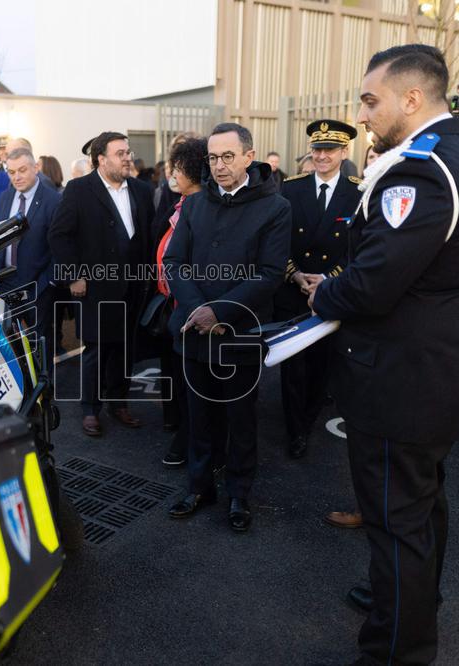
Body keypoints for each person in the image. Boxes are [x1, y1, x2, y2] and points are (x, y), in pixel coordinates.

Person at [308, 44, 459, 664]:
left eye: (371, 100)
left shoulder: (422, 168)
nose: (363, 114)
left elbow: (370, 283)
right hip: (437, 368)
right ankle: (413, 603)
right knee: (420, 512)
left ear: (412, 99)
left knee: (395, 524)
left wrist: (324, 294)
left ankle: (397, 649)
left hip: (401, 380)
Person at [163, 122, 291, 533]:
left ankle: (239, 492)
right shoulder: (196, 204)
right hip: (195, 330)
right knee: (198, 415)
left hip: (240, 332)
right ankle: (200, 487)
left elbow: (270, 273)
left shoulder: (275, 208)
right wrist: (200, 310)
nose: (219, 166)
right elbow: (175, 262)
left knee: (240, 417)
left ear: (249, 157)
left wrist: (219, 312)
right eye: (213, 158)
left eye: (228, 157)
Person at [49, 131, 154, 437]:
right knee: (96, 349)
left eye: (128, 152)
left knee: (124, 347)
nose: (127, 157)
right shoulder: (79, 189)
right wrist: (74, 275)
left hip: (133, 285)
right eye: (120, 153)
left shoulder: (142, 190)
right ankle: (90, 409)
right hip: (95, 287)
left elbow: (146, 234)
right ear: (101, 159)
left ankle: (118, 403)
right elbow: (59, 234)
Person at [274, 120, 362, 460]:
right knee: (292, 368)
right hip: (293, 290)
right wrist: (296, 275)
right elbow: (277, 240)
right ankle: (296, 431)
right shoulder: (291, 188)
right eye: (317, 149)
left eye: (329, 150)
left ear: (344, 152)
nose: (322, 156)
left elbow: (358, 248)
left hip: (332, 292)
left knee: (321, 367)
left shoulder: (358, 191)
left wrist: (328, 279)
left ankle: (308, 418)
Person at [325, 140, 380, 532]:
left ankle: (377, 513)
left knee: (383, 445)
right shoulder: (370, 199)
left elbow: (370, 274)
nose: (375, 162)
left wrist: (325, 291)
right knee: (367, 440)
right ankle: (369, 507)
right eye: (372, 157)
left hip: (384, 341)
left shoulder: (397, 202)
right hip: (365, 337)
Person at [151, 136, 209, 466]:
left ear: (188, 169)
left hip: (191, 309)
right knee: (180, 380)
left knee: (192, 386)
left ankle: (190, 442)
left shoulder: (198, 207)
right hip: (177, 306)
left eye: (176, 166)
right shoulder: (182, 203)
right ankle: (185, 435)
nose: (171, 172)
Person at [0, 147, 62, 374]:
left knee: (39, 345)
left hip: (38, 286)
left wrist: (48, 283)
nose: (17, 177)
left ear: (35, 168)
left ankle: (45, 396)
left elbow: (60, 248)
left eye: (22, 170)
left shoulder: (53, 200)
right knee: (9, 346)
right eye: (11, 172)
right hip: (6, 285)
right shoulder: (5, 198)